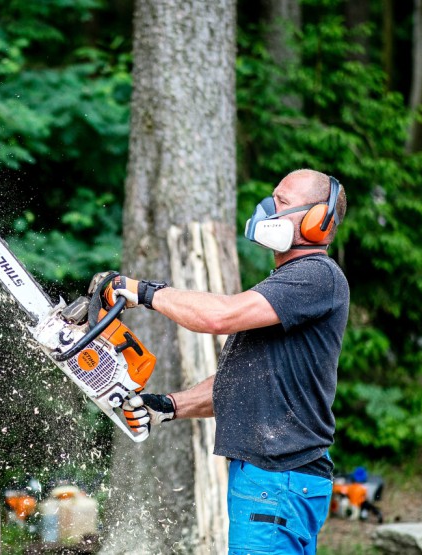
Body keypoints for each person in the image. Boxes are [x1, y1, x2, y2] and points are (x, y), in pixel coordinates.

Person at [98, 169, 349, 555]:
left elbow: (220, 317)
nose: (269, 209)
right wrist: (168, 406)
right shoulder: (290, 287)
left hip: (277, 479)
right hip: (273, 479)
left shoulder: (315, 276)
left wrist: (142, 292)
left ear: (317, 220)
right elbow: (250, 380)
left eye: (281, 202)